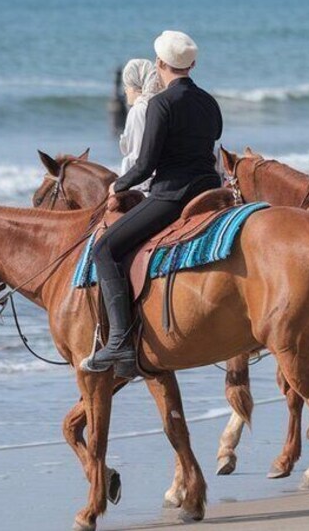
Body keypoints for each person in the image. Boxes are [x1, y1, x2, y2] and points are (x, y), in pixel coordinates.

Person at [81, 30, 223, 376]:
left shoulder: (161, 104)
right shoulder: (210, 102)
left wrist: (118, 185)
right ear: (191, 64)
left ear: (160, 64)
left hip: (173, 196)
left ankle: (118, 343)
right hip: (210, 189)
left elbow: (145, 165)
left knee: (105, 250)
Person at [118, 58, 163, 193]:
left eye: (126, 85)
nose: (125, 90)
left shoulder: (139, 110)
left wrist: (121, 186)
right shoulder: (160, 104)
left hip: (142, 187)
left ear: (136, 86)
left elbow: (138, 157)